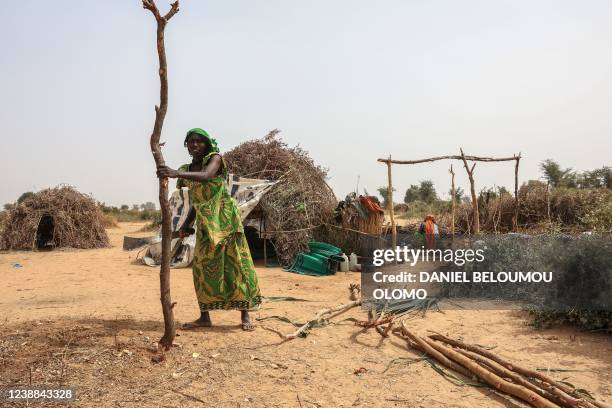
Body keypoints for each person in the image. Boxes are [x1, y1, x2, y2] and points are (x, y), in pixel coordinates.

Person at [156, 128, 262, 331]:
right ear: (186, 145)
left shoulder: (215, 159)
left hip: (226, 220)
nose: (195, 145)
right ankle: (205, 317)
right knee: (202, 269)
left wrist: (175, 173)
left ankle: (245, 314)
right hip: (205, 224)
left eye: (199, 141)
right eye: (190, 141)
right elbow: (197, 202)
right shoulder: (187, 168)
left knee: (237, 265)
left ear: (207, 144)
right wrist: (187, 224)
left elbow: (207, 176)